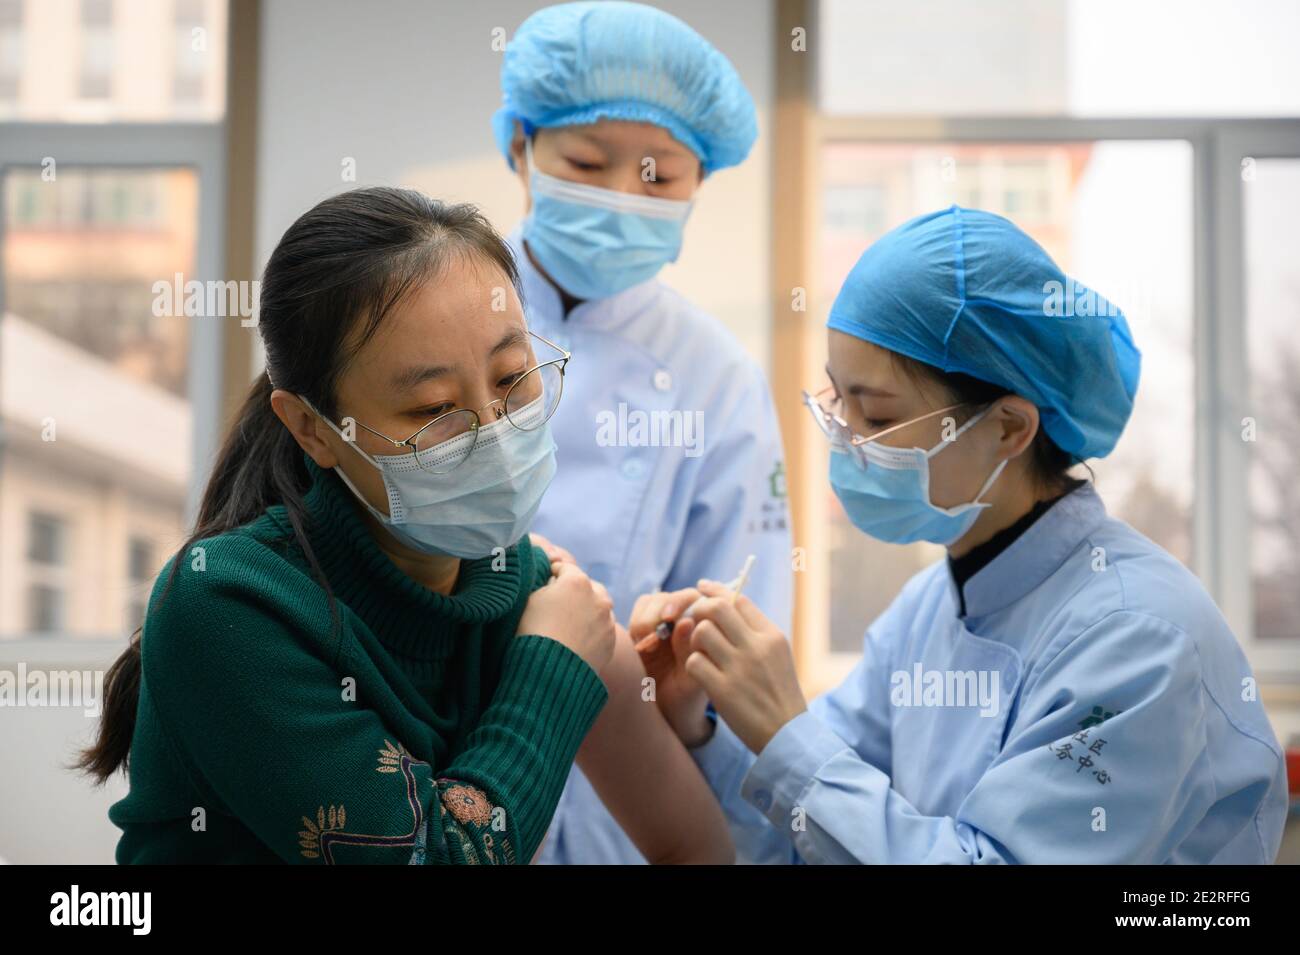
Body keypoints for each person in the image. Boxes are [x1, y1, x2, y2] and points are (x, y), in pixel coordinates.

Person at [78, 187, 733, 865]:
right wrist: (553, 666)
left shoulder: (533, 591)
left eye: (512, 375)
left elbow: (700, 849)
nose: (494, 429)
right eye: (432, 408)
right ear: (312, 428)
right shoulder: (229, 604)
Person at [632, 205, 1289, 864]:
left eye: (878, 413)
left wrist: (785, 728)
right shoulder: (928, 612)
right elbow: (802, 839)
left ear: (1008, 427)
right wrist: (698, 718)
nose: (845, 437)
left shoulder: (1139, 636)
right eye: (838, 399)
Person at [492, 1, 793, 864]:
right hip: (425, 754)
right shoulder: (430, 306)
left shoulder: (715, 373)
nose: (622, 196)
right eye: (585, 162)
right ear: (520, 148)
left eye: (660, 178)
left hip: (624, 793)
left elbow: (743, 625)